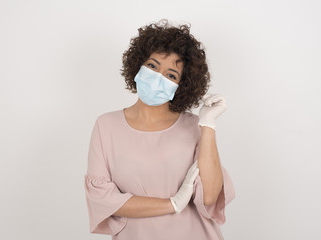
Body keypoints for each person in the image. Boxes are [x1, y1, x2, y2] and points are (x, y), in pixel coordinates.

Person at [84, 19, 236, 240]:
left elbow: (210, 196)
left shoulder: (195, 126)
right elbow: (104, 199)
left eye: (171, 75)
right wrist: (172, 204)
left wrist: (208, 124)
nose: (157, 77)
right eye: (153, 66)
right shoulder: (106, 126)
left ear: (181, 87)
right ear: (138, 66)